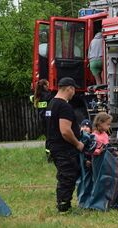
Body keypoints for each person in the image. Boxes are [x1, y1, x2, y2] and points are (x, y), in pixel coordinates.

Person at [45, 77, 84, 212]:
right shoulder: (64, 106)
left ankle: (63, 203)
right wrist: (77, 143)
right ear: (69, 88)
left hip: (54, 146)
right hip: (64, 148)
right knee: (68, 175)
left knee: (64, 174)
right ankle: (63, 206)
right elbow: (65, 131)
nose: (74, 93)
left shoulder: (52, 104)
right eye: (73, 90)